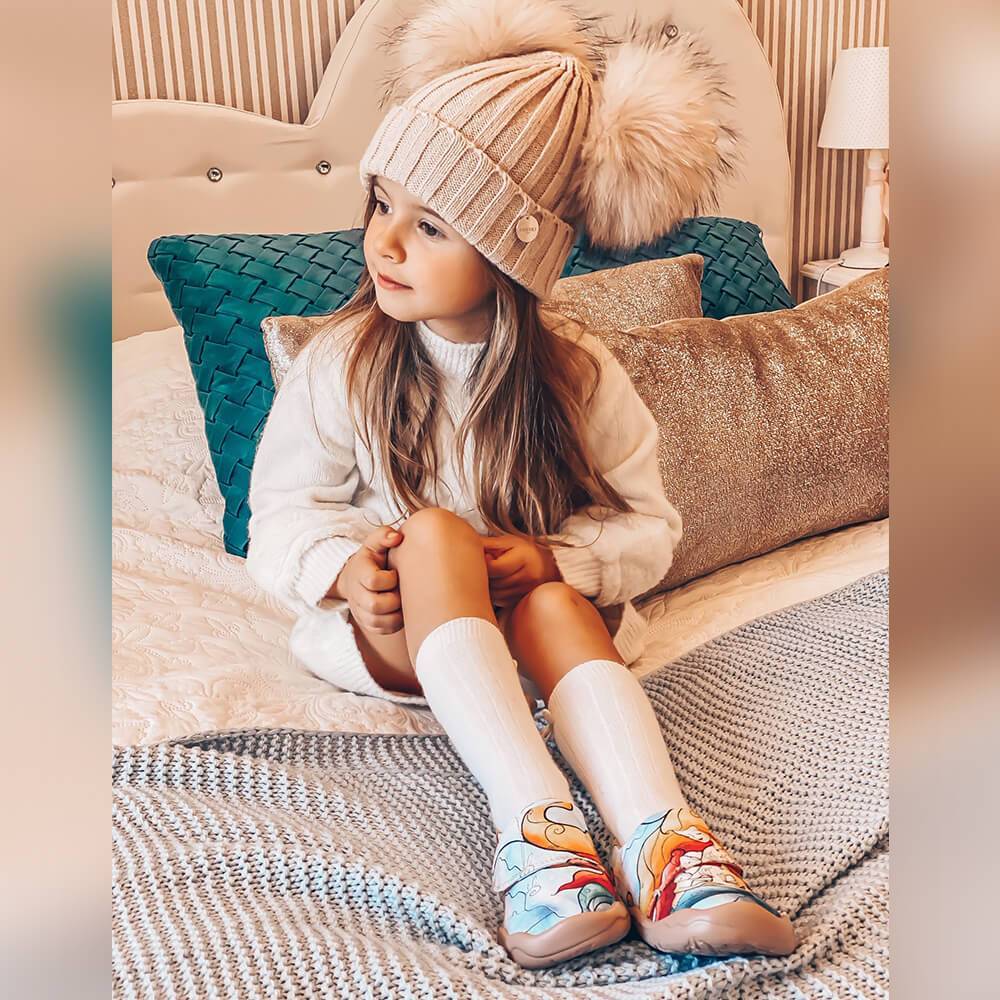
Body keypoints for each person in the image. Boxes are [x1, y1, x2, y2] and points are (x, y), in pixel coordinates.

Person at [246, 0, 797, 970]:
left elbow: (650, 527)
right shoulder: (342, 364)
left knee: (553, 595)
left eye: (429, 225)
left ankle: (667, 844)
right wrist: (340, 572)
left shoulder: (577, 375)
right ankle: (537, 832)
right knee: (436, 536)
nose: (384, 242)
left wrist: (557, 560)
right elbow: (280, 513)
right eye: (380, 204)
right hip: (403, 633)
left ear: (511, 251)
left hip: (533, 633)